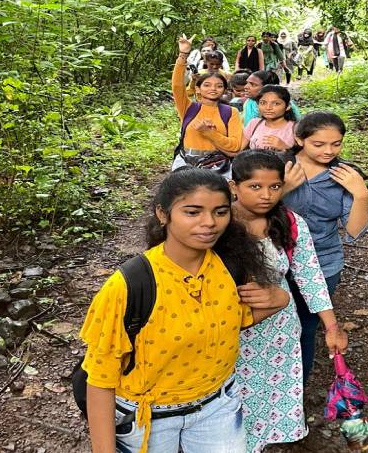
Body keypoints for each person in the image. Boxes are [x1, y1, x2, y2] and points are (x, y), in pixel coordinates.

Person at [80, 169, 290, 453]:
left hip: (218, 406)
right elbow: (100, 378)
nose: (209, 223)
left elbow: (230, 322)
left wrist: (280, 300)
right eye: (192, 212)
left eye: (220, 212)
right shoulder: (131, 284)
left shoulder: (229, 266)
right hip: (148, 418)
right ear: (163, 214)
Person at [230, 151, 348, 452]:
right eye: (255, 187)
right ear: (234, 187)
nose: (266, 195)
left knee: (269, 395)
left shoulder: (291, 223)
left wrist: (331, 326)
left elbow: (309, 275)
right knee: (229, 402)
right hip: (229, 331)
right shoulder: (216, 223)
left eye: (274, 187)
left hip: (278, 334)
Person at [282, 112, 368, 383]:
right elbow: (252, 211)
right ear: (299, 139)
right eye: (318, 144)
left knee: (307, 327)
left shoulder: (343, 176)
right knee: (273, 325)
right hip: (276, 261)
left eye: (336, 144)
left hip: (324, 262)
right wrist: (282, 188)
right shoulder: (279, 167)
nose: (329, 151)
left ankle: (298, 388)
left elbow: (354, 231)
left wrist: (361, 194)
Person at [171, 36, 243, 175]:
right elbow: (177, 86)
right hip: (186, 163)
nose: (213, 89)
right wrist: (183, 55)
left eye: (219, 86)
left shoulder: (230, 112)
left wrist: (209, 133)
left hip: (218, 165)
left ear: (224, 89)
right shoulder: (188, 108)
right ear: (198, 89)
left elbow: (235, 145)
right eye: (207, 85)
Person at [242, 85, 297, 152]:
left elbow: (303, 159)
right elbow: (238, 151)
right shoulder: (254, 123)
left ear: (288, 106)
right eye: (263, 103)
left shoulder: (295, 128)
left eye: (276, 103)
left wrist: (285, 147)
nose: (268, 108)